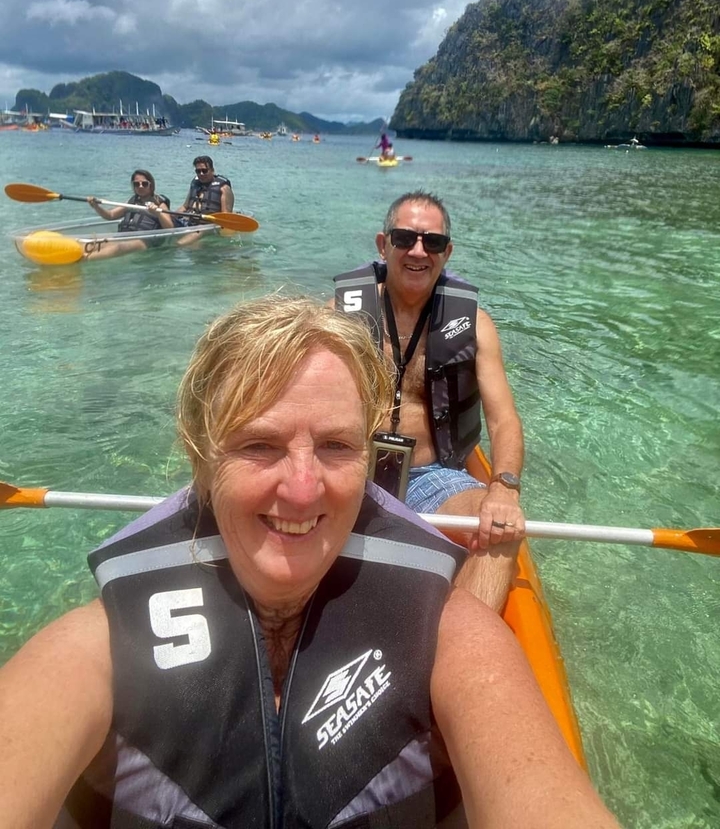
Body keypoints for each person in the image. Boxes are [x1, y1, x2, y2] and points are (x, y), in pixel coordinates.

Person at [0, 295, 619, 829]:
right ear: (200, 457)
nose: (302, 489)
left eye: (336, 446)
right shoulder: (100, 646)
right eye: (258, 444)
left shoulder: (450, 633)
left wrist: (502, 487)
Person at [334, 191, 525, 612]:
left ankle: (461, 649)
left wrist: (504, 488)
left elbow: (504, 420)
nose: (418, 251)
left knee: (501, 529)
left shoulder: (474, 325)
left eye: (432, 242)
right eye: (405, 238)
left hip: (432, 476)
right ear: (383, 245)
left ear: (446, 252)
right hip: (349, 469)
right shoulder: (339, 315)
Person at [84, 169, 174, 260]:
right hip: (124, 236)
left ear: (151, 185)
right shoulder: (131, 201)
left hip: (143, 241)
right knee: (98, 242)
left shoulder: (160, 204)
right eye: (136, 184)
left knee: (120, 247)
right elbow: (110, 215)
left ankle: (83, 260)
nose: (141, 186)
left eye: (144, 183)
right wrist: (96, 206)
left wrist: (158, 213)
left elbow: (170, 229)